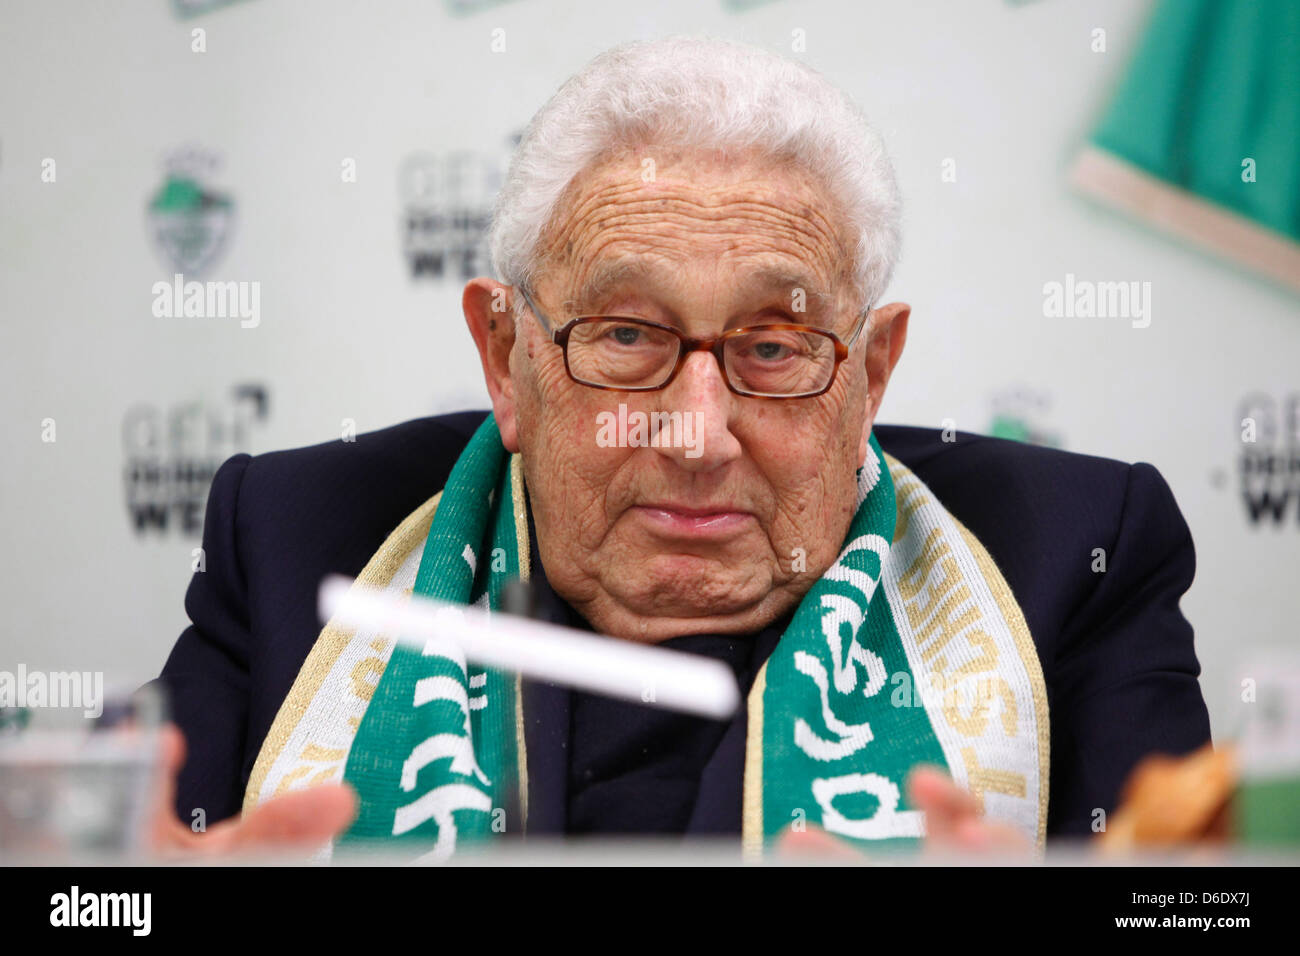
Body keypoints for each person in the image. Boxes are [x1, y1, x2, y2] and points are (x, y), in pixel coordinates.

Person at [148, 36, 1211, 860]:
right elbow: (92, 886)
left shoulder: (1073, 560)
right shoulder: (296, 547)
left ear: (872, 373)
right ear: (505, 356)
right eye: (624, 335)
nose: (699, 436)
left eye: (775, 344)